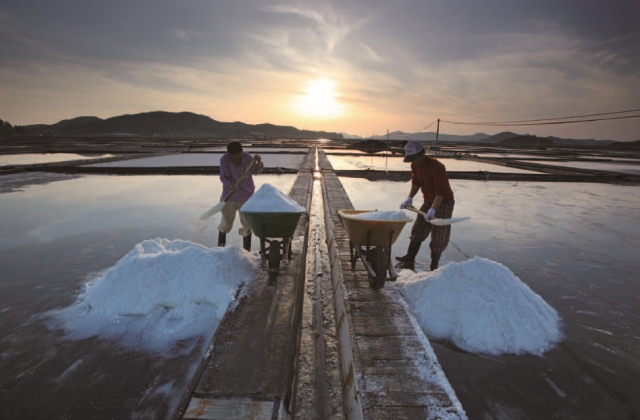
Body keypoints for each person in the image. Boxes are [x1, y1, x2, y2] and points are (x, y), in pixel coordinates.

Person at [396, 140, 455, 271]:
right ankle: (410, 256)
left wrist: (433, 210)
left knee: (439, 235)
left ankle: (433, 267)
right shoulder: (415, 165)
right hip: (428, 200)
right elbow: (416, 182)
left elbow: (441, 192)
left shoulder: (437, 167)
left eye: (415, 158)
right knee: (418, 228)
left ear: (422, 154)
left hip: (444, 202)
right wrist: (409, 198)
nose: (413, 162)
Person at [218, 141, 264, 251]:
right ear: (228, 154)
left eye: (237, 158)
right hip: (229, 196)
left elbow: (257, 171)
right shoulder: (224, 159)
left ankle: (247, 252)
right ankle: (220, 250)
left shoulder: (248, 158)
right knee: (226, 223)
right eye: (232, 157)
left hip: (246, 196)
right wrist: (230, 186)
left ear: (241, 153)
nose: (234, 160)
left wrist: (259, 162)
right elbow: (223, 177)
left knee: (247, 225)